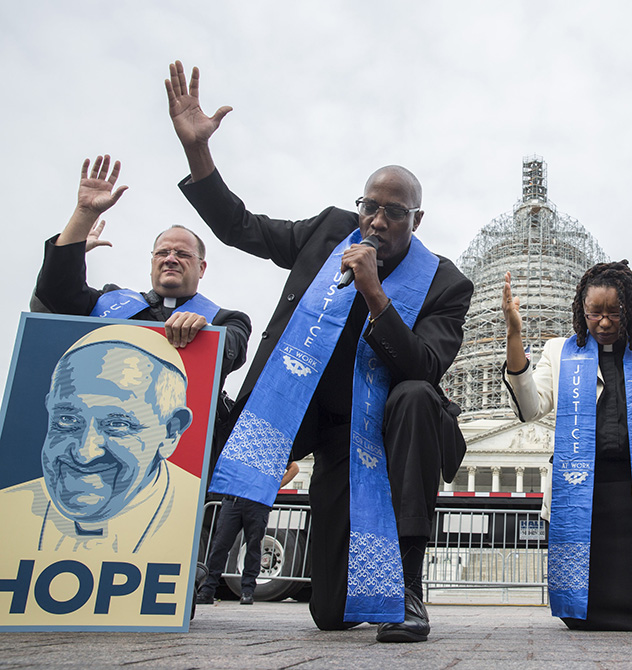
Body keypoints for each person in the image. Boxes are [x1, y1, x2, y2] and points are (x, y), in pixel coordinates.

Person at [164, 60, 473, 642]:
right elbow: (241, 228)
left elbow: (424, 366)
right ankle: (157, 570)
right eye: (370, 207)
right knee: (331, 614)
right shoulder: (330, 232)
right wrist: (198, 154)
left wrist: (376, 293)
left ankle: (406, 586)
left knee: (413, 395)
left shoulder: (445, 284)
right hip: (313, 419)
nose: (377, 222)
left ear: (418, 219)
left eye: (394, 213)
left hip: (386, 429)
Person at [502, 260, 632, 633]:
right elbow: (529, 408)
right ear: (582, 311)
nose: (604, 322)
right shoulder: (560, 352)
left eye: (614, 312)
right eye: (595, 313)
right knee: (583, 613)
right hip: (584, 493)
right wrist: (515, 337)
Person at [32, 156, 252, 482]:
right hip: (95, 459)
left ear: (201, 267)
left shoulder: (226, 319)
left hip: (186, 473)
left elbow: (230, 349)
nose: (171, 259)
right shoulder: (109, 303)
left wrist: (203, 330)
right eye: (162, 253)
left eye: (182, 254)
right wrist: (84, 215)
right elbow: (54, 298)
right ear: (151, 262)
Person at [0, 325, 200, 554]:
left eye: (117, 425)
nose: (84, 453)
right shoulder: (7, 507)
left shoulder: (193, 511)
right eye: (67, 419)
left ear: (170, 432)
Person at [196, 460, 299, 605]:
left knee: (253, 547)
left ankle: (247, 591)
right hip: (233, 501)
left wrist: (274, 487)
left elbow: (294, 468)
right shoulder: (239, 444)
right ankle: (207, 590)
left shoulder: (271, 448)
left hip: (257, 502)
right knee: (220, 546)